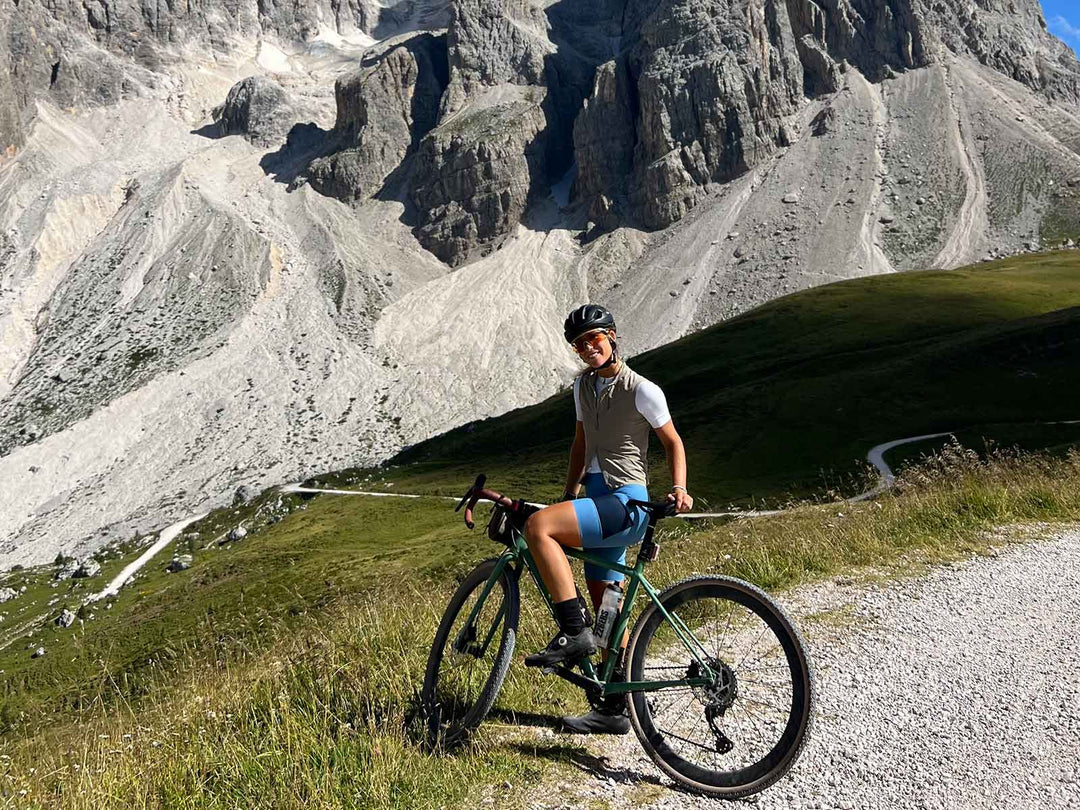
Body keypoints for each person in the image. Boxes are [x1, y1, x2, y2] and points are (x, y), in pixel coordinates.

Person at [523, 304, 693, 734]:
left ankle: (572, 630)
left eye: (594, 339)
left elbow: (673, 442)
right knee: (608, 610)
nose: (587, 348)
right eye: (580, 344)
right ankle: (614, 709)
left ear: (613, 336)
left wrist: (678, 488)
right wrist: (569, 494)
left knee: (539, 527)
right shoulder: (583, 387)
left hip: (625, 502)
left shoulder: (642, 389)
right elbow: (580, 444)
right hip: (597, 501)